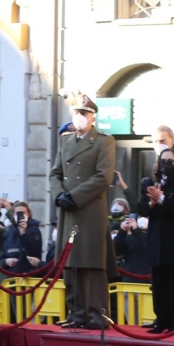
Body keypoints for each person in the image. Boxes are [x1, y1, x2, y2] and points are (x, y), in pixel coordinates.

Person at [51, 94, 116, 330]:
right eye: (76, 113)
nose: (79, 117)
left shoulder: (103, 141)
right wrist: (59, 195)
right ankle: (76, 312)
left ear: (93, 117)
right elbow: (55, 173)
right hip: (68, 209)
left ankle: (95, 314)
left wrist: (75, 196)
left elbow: (103, 177)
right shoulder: (65, 141)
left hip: (88, 209)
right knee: (71, 263)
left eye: (84, 114)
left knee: (92, 263)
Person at [136, 133, 174, 333]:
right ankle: (160, 320)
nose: (166, 164)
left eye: (170, 161)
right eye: (163, 161)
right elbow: (142, 209)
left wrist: (162, 199)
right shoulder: (150, 182)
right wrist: (151, 203)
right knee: (159, 284)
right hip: (157, 240)